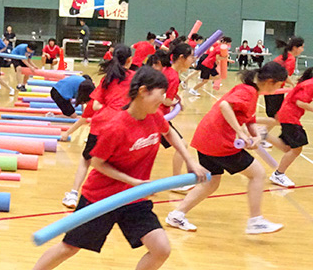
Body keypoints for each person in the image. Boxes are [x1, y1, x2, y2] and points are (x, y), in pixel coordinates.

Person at [33, 66, 208, 270]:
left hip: (134, 198)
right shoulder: (116, 127)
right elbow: (97, 164)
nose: (163, 101)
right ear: (143, 91)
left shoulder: (154, 116)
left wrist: (190, 161)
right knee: (69, 247)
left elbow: (169, 133)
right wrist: (134, 182)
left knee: (161, 249)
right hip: (101, 197)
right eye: (160, 95)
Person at [166, 62, 288, 235]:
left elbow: (249, 119)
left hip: (206, 138)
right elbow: (225, 106)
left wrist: (253, 136)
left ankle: (176, 215)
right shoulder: (248, 92)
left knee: (211, 182)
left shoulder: (250, 91)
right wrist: (241, 133)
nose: (279, 88)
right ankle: (255, 221)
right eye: (279, 84)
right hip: (218, 141)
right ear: (270, 81)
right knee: (258, 174)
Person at [62, 44, 133, 207]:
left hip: (101, 127)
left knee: (86, 160)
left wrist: (110, 110)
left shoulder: (107, 78)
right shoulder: (135, 78)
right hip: (122, 128)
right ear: (130, 60)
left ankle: (73, 193)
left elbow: (95, 106)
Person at [154, 43, 197, 192]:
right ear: (181, 57)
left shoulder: (169, 72)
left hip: (157, 116)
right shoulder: (173, 76)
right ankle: (176, 182)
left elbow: (166, 93)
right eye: (191, 56)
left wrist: (176, 98)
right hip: (157, 119)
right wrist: (175, 101)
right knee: (182, 146)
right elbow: (165, 100)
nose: (193, 59)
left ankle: (176, 181)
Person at [266, 67, 313, 188]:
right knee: (297, 148)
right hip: (290, 116)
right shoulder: (310, 84)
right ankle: (278, 174)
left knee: (288, 148)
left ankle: (263, 135)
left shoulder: (307, 83)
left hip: (287, 114)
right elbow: (300, 102)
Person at [263, 37, 305, 129]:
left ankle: (261, 136)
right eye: (302, 47)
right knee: (277, 117)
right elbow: (283, 75)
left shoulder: (283, 57)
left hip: (271, 87)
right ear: (295, 48)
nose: (303, 50)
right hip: (274, 89)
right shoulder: (290, 59)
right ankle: (256, 133)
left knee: (277, 117)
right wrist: (293, 85)